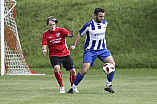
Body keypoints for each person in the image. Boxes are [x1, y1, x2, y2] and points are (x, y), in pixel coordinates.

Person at [67, 7, 116, 94]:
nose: (102, 18)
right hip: (90, 51)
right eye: (100, 16)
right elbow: (79, 34)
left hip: (102, 49)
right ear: (95, 15)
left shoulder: (105, 23)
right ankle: (73, 87)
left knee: (112, 65)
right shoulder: (89, 25)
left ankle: (108, 85)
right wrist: (74, 45)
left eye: (103, 16)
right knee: (84, 70)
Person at [42, 16, 79, 93]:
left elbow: (68, 34)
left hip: (65, 54)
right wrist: (44, 50)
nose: (52, 26)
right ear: (47, 25)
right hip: (54, 55)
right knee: (56, 68)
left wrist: (70, 34)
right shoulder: (45, 34)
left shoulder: (61, 30)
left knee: (73, 71)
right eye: (50, 25)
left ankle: (73, 87)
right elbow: (44, 45)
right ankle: (61, 86)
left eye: (53, 24)